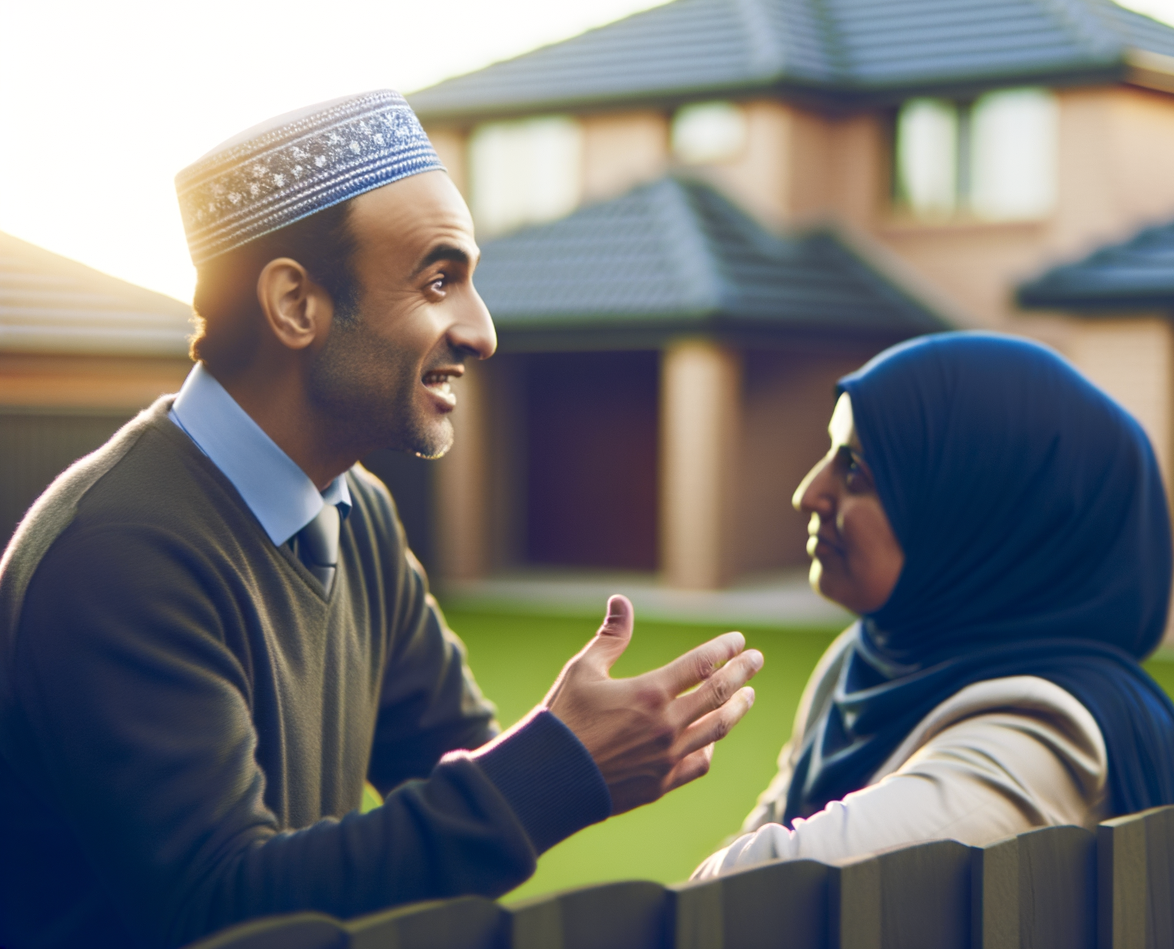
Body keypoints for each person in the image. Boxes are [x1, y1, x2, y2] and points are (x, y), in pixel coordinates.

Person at [0, 91, 762, 949]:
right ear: (295, 305)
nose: (481, 332)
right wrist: (557, 766)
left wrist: (561, 744)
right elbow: (220, 911)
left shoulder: (355, 512)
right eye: (440, 281)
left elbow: (451, 759)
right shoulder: (122, 554)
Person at [693, 333, 1174, 877]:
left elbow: (757, 887)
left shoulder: (1046, 734)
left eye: (856, 470)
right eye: (830, 455)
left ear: (975, 514)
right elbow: (767, 827)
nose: (809, 492)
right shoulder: (863, 661)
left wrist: (590, 773)